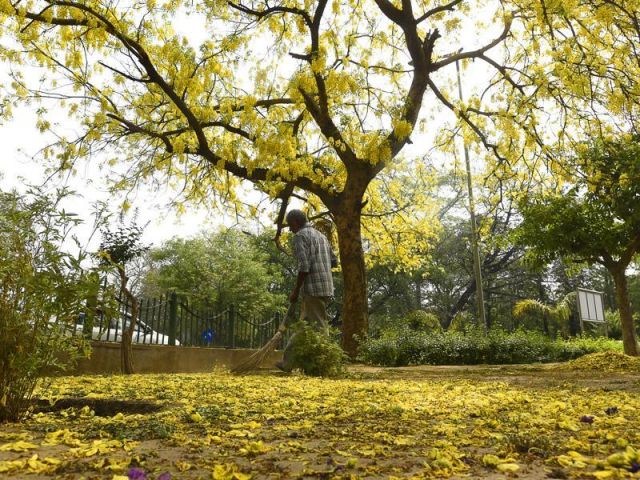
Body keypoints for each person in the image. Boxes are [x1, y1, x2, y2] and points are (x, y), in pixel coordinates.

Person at [276, 209, 338, 372]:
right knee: (304, 326)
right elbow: (334, 261)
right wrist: (322, 266)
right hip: (326, 286)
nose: (290, 229)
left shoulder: (300, 236)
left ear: (296, 222)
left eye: (290, 225)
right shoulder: (321, 236)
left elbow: (304, 266)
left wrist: (296, 290)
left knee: (319, 326)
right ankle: (289, 362)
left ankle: (326, 361)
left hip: (313, 288)